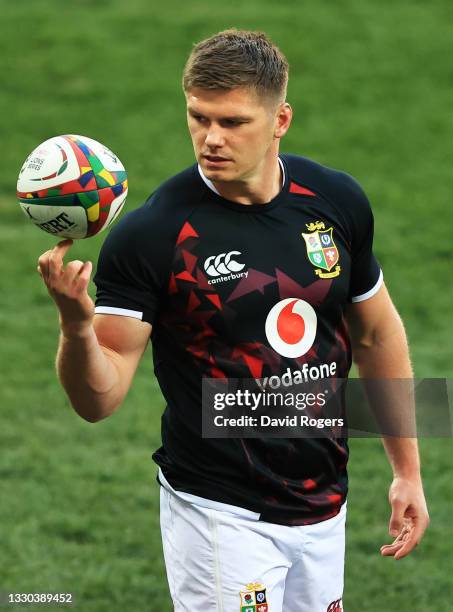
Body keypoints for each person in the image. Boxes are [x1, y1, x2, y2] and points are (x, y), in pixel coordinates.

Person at [37, 29, 429, 612]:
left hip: (324, 503)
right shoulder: (154, 235)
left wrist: (407, 470)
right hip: (219, 513)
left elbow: (376, 334)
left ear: (281, 120)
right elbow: (100, 400)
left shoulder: (336, 200)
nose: (210, 139)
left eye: (233, 122)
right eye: (199, 118)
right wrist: (75, 327)